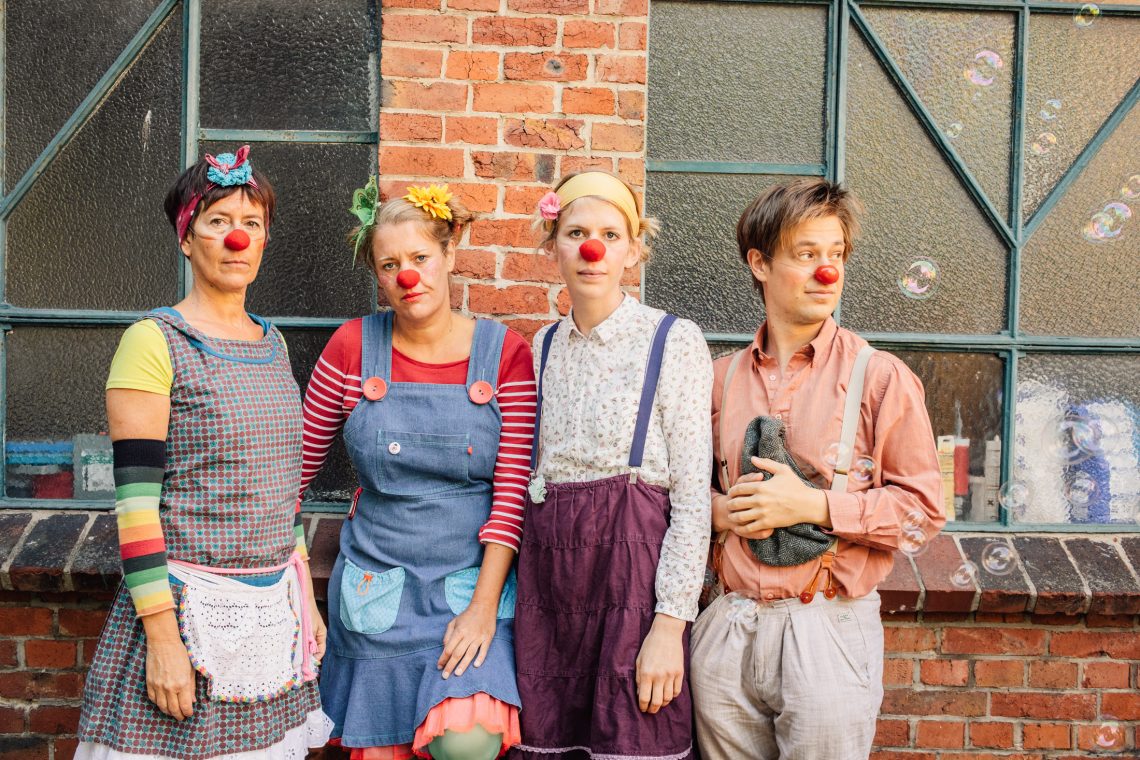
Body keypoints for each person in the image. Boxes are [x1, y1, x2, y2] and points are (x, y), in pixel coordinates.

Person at [76, 146, 333, 759]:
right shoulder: (153, 342)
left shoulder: (273, 345)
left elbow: (279, 491)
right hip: (189, 619)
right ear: (186, 238)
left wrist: (304, 600)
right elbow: (136, 508)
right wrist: (164, 640)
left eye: (251, 223)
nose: (237, 238)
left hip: (271, 622)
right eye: (218, 221)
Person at [691, 178, 945, 760]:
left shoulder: (880, 377)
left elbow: (923, 512)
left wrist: (813, 506)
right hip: (728, 628)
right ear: (759, 263)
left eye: (836, 255)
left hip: (827, 629)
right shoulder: (716, 378)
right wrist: (719, 511)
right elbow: (675, 496)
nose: (826, 272)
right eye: (806, 254)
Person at [302, 179, 534, 760]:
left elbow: (512, 495)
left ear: (450, 253)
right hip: (378, 588)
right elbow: (289, 478)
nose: (408, 277)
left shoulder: (505, 354)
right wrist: (298, 589)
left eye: (421, 258)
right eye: (390, 265)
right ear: (378, 276)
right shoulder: (351, 348)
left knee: (468, 743)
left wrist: (483, 609)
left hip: (471, 588)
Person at [511, 171, 713, 760]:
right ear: (553, 245)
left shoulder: (673, 340)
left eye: (609, 234)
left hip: (635, 595)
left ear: (633, 249)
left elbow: (693, 500)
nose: (592, 249)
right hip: (551, 599)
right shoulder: (542, 346)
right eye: (576, 233)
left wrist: (669, 627)